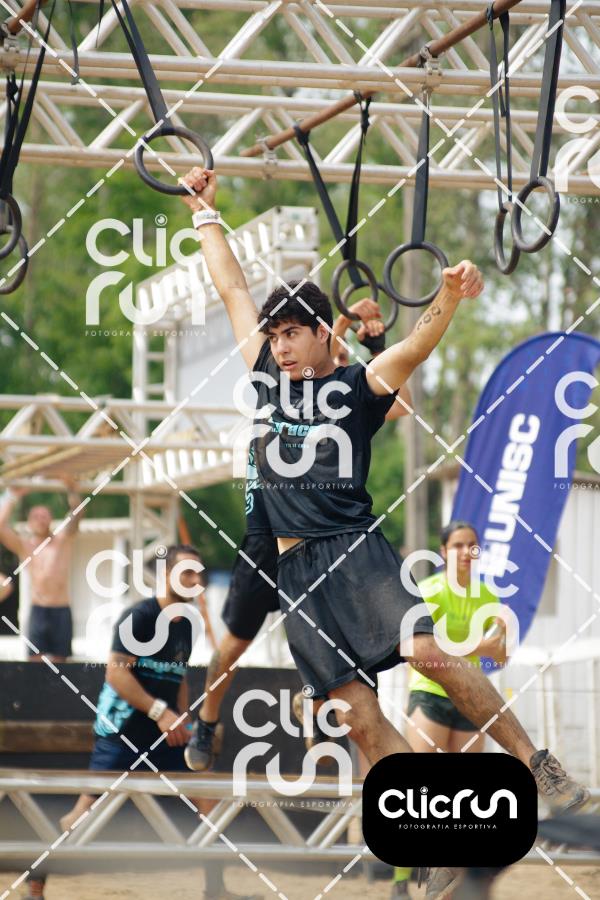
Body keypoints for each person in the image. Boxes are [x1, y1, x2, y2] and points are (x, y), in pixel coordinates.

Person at [179, 167, 588, 899]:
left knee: (428, 652)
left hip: (354, 553)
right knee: (363, 721)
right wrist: (204, 214)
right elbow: (233, 288)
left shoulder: (356, 387)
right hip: (295, 577)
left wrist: (449, 296)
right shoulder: (265, 379)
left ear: (321, 335)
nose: (280, 346)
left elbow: (416, 349)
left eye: (292, 333)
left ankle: (537, 764)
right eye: (274, 336)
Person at [185, 299, 412, 771]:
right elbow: (305, 340)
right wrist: (344, 317)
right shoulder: (281, 381)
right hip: (267, 537)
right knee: (234, 644)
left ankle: (316, 702)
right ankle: (207, 719)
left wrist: (375, 343)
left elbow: (400, 403)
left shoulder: (346, 392)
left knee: (344, 653)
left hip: (323, 537)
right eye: (280, 337)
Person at [58, 544, 255, 900]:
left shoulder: (188, 623)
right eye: (187, 573)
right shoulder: (140, 616)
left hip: (166, 736)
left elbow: (178, 677)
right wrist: (160, 713)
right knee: (82, 815)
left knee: (208, 798)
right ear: (166, 575)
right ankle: (35, 884)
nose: (196, 581)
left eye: (199, 574)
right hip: (121, 733)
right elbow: (116, 674)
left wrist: (183, 718)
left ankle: (216, 890)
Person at [392, 520, 508, 898]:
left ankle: (451, 883)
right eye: (457, 545)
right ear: (443, 552)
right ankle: (400, 881)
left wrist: (497, 644)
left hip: (470, 698)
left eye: (471, 544)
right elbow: (428, 649)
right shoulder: (427, 590)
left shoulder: (488, 596)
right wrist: (483, 646)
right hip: (429, 693)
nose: (465, 551)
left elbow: (500, 656)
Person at [0, 479, 84, 662]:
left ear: (51, 519)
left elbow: (77, 515)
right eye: (36, 516)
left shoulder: (62, 540)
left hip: (61, 608)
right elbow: (1, 526)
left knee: (60, 663)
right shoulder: (25, 545)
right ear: (29, 522)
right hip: (39, 610)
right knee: (35, 663)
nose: (40, 520)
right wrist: (12, 496)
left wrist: (72, 490)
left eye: (44, 516)